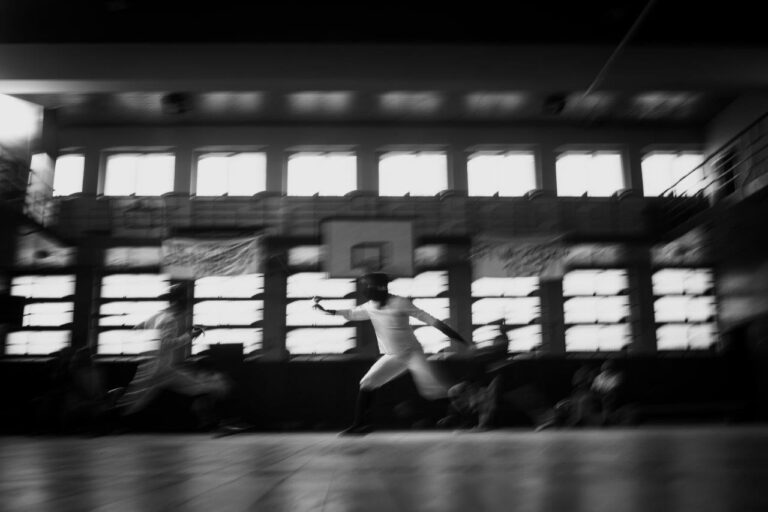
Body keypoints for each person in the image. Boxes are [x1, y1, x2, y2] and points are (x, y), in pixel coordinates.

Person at [313, 272, 472, 435]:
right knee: (367, 383)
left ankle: (467, 419)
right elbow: (350, 313)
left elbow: (431, 320)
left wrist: (460, 340)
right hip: (392, 356)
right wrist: (324, 310)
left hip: (412, 353)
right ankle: (360, 425)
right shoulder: (370, 306)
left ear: (378, 288)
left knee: (432, 390)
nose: (365, 289)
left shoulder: (399, 302)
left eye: (368, 286)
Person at [117, 284, 230, 430]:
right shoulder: (169, 320)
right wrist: (189, 336)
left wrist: (148, 347)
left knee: (135, 400)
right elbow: (166, 344)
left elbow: (137, 328)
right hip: (158, 370)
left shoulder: (157, 316)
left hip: (158, 368)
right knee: (133, 402)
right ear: (177, 302)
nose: (185, 307)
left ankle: (218, 407)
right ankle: (109, 415)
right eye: (183, 302)